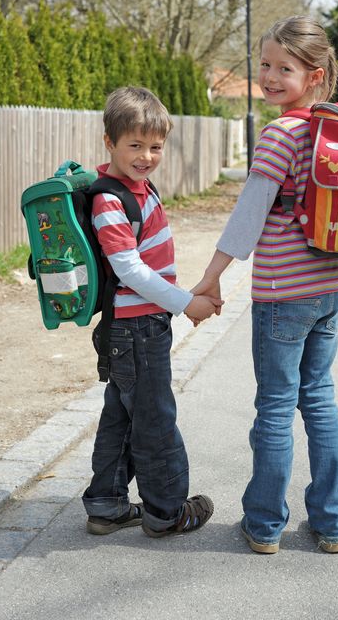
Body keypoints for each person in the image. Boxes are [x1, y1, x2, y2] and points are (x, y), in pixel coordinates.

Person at [193, 16, 338, 555]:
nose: (269, 76)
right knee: (321, 400)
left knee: (277, 408)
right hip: (330, 286)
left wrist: (210, 279)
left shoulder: (282, 133)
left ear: (313, 75)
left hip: (283, 292)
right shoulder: (331, 131)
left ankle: (264, 525)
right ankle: (332, 523)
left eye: (284, 68)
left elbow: (249, 215)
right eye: (264, 65)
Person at [82, 86, 220, 538]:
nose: (145, 156)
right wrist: (186, 304)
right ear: (110, 142)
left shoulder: (138, 187)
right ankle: (166, 512)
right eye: (134, 146)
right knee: (156, 420)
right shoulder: (111, 199)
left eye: (155, 147)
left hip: (138, 326)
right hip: (136, 329)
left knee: (122, 417)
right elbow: (129, 269)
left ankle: (106, 504)